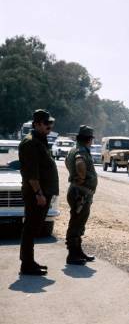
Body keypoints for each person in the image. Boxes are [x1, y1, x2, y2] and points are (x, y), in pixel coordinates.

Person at [18, 109, 59, 276]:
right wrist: (39, 194)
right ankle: (26, 264)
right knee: (30, 228)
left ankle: (29, 261)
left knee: (33, 228)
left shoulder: (40, 141)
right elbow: (31, 173)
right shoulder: (30, 143)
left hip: (42, 193)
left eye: (51, 123)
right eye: (46, 123)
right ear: (37, 124)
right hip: (36, 194)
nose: (50, 126)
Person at [64, 125, 98, 265]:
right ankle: (72, 254)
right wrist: (82, 178)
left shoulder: (73, 149)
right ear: (89, 139)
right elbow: (79, 163)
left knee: (78, 222)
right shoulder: (81, 151)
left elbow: (67, 163)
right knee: (76, 223)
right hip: (81, 193)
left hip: (78, 191)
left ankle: (78, 251)